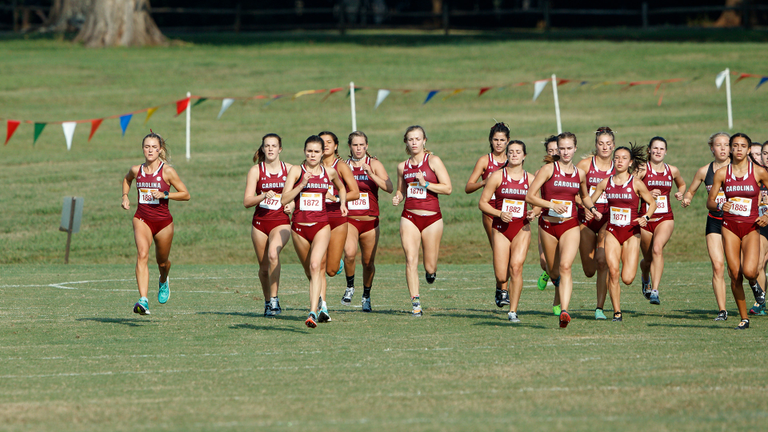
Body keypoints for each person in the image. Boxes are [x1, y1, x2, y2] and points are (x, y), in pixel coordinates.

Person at [526, 132, 599, 328]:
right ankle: (552, 280)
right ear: (558, 150)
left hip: (570, 225)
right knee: (553, 270)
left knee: (566, 266)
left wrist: (592, 208)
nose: (566, 152)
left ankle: (564, 311)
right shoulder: (548, 170)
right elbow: (530, 196)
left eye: (569, 148)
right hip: (548, 226)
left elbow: (584, 197)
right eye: (562, 148)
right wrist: (549, 204)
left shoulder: (580, 174)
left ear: (575, 149)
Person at [281, 135, 347, 328]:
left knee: (317, 265)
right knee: (310, 271)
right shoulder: (296, 170)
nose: (312, 154)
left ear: (322, 153)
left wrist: (342, 203)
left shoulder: (329, 172)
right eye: (309, 151)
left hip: (321, 226)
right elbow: (284, 199)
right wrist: (301, 185)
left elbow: (342, 188)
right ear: (304, 151)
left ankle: (313, 311)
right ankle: (321, 304)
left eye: (316, 151)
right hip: (299, 228)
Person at [121, 131, 190, 315]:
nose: (150, 150)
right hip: (142, 218)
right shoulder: (137, 170)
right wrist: (125, 196)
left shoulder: (167, 171)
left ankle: (164, 279)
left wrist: (165, 194)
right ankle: (143, 300)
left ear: (160, 150)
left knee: (162, 262)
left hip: (164, 223)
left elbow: (186, 194)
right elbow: (127, 179)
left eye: (154, 147)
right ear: (142, 149)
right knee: (142, 254)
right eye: (147, 147)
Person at [706, 133, 768, 329]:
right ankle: (744, 318)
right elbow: (710, 202)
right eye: (735, 145)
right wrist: (718, 205)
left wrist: (767, 214)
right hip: (729, 227)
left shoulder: (759, 172)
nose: (739, 149)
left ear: (749, 150)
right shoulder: (722, 173)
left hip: (751, 227)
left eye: (743, 146)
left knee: (750, 271)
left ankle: (754, 284)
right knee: (734, 274)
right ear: (731, 149)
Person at [590, 145, 656, 322]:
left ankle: (643, 278)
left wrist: (646, 217)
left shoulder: (636, 183)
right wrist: (592, 210)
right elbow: (590, 200)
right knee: (613, 272)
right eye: (617, 158)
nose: (619, 161)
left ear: (630, 162)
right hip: (612, 231)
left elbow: (652, 203)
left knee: (627, 278)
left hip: (631, 233)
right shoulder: (606, 182)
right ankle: (617, 312)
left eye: (624, 158)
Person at [392, 125, 452, 316]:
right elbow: (402, 190)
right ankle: (415, 303)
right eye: (411, 139)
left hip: (432, 218)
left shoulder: (433, 161)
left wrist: (426, 183)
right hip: (409, 216)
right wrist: (398, 197)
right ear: (406, 142)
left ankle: (431, 272)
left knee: (430, 264)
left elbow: (448, 188)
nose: (414, 142)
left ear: (424, 141)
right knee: (410, 259)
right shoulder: (402, 166)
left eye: (418, 139)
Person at [478, 140, 538, 322]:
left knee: (516, 268)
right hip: (500, 228)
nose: (514, 155)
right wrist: (499, 213)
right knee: (501, 274)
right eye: (511, 152)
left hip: (521, 227)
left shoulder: (530, 179)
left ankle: (513, 310)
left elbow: (538, 205)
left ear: (524, 156)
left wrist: (533, 212)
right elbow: (482, 203)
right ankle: (501, 289)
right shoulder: (497, 177)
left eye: (518, 152)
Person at [681, 132, 731, 321]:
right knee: (718, 267)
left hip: (736, 223)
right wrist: (686, 198)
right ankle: (722, 310)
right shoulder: (704, 171)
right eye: (719, 145)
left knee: (738, 269)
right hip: (714, 221)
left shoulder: (739, 169)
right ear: (712, 148)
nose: (723, 148)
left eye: (727, 144)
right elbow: (691, 191)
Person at [342, 131, 393, 312]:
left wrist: (371, 174)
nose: (359, 148)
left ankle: (366, 296)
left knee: (368, 262)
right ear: (350, 146)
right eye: (355, 145)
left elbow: (389, 187)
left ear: (367, 146)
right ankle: (350, 287)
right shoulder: (344, 165)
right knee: (349, 254)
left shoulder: (374, 164)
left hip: (370, 219)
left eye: (362, 145)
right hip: (349, 219)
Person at [243, 133, 293, 317]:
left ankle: (274, 300)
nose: (270, 149)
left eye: (274, 146)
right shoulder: (256, 171)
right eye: (267, 146)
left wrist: (292, 205)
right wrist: (263, 195)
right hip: (260, 223)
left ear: (280, 149)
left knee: (274, 254)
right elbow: (247, 201)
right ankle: (266, 302)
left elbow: (298, 194)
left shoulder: (289, 169)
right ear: (263, 148)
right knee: (264, 268)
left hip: (281, 221)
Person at [316, 131, 360, 322]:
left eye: (329, 142)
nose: (325, 145)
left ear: (335, 146)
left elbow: (355, 192)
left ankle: (338, 263)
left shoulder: (340, 166)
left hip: (337, 218)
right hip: (316, 218)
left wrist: (335, 198)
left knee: (331, 270)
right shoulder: (310, 165)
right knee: (318, 264)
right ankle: (321, 306)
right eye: (322, 142)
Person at [637, 136, 686, 307]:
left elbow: (681, 184)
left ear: (666, 151)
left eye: (661, 149)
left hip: (665, 218)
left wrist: (681, 193)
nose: (658, 151)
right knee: (648, 260)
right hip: (645, 219)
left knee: (658, 249)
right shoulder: (642, 169)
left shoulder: (671, 170)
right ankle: (645, 277)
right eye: (655, 148)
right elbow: (630, 190)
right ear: (649, 150)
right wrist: (648, 193)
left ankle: (655, 291)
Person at [465, 122, 510, 306]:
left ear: (508, 141)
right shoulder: (485, 161)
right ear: (490, 141)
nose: (498, 143)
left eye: (502, 140)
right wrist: (485, 183)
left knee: (511, 254)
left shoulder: (513, 159)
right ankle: (503, 290)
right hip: (490, 211)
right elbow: (468, 187)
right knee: (499, 251)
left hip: (510, 212)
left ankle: (503, 289)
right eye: (495, 140)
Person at [575, 126, 615, 320]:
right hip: (586, 220)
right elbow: (572, 193)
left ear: (613, 146)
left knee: (602, 262)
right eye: (601, 144)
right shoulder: (584, 165)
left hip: (609, 221)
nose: (605, 147)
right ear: (596, 145)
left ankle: (600, 308)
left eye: (608, 144)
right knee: (589, 270)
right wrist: (584, 207)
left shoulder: (619, 166)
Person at [535, 135, 560, 313]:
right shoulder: (541, 173)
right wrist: (534, 211)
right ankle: (547, 272)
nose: (554, 153)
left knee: (562, 265)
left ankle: (558, 303)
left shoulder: (571, 172)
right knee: (546, 262)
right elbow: (534, 198)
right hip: (545, 220)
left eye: (556, 150)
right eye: (550, 150)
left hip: (566, 223)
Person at [752, 140, 768, 316]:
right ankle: (760, 302)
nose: (767, 156)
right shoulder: (756, 175)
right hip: (762, 225)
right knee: (758, 263)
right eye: (764, 153)